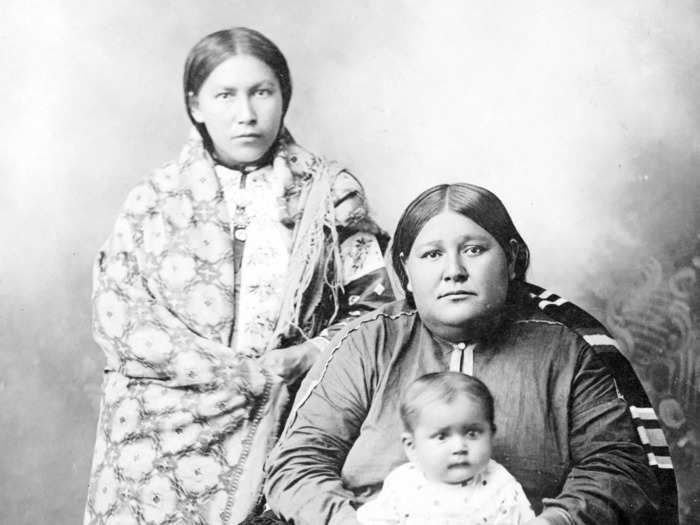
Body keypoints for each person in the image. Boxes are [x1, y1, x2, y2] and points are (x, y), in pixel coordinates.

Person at [83, 27, 394, 525]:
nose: (246, 114)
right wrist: (244, 376)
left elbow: (378, 309)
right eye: (225, 95)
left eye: (262, 92)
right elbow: (120, 317)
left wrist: (312, 353)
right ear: (196, 106)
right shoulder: (154, 200)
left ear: (283, 97)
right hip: (157, 437)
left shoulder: (330, 194)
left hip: (286, 424)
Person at [264, 183, 678, 525]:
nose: (454, 270)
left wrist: (555, 523)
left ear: (513, 261)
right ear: (406, 272)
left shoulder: (564, 350)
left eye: (475, 249)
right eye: (432, 254)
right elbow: (299, 462)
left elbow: (617, 468)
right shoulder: (366, 343)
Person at [356, 372, 535, 525]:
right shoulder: (402, 484)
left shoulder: (500, 485)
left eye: (472, 433)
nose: (459, 447)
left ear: (491, 435)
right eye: (442, 436)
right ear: (412, 446)